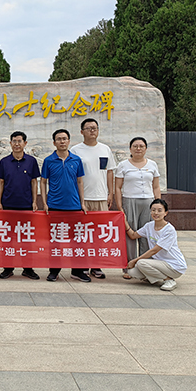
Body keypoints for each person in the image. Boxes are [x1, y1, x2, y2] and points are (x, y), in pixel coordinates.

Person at [70, 117, 116, 279]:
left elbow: (109, 172)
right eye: (88, 128)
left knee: (99, 234)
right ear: (82, 132)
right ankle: (80, 266)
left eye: (95, 128)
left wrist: (110, 193)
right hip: (83, 198)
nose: (92, 131)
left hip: (101, 197)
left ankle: (96, 266)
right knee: (81, 234)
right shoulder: (75, 150)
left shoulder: (105, 149)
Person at [40, 129, 88, 282]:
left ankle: (77, 271)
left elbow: (80, 181)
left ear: (69, 141)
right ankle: (54, 271)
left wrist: (82, 203)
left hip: (74, 206)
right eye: (59, 139)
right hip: (55, 206)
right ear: (54, 142)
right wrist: (45, 202)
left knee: (77, 240)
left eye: (64, 139)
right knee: (55, 241)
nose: (62, 141)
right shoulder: (48, 160)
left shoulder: (76, 160)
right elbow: (43, 182)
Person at [0, 131, 41, 280]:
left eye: (19, 141)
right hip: (8, 205)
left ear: (25, 143)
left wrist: (34, 201)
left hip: (26, 205)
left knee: (26, 239)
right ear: (10, 143)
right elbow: (1, 183)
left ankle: (28, 268)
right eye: (14, 141)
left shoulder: (31, 161)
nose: (17, 144)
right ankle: (8, 268)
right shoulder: (4, 162)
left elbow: (34, 182)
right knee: (7, 239)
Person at [115, 137, 161, 279]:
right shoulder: (123, 165)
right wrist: (120, 206)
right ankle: (128, 268)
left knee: (147, 234)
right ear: (130, 149)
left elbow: (156, 186)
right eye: (135, 146)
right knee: (130, 234)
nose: (138, 149)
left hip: (148, 202)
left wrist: (158, 205)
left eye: (141, 146)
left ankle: (145, 267)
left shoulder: (152, 164)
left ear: (146, 149)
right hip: (130, 201)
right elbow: (118, 187)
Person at [124, 199, 186, 291]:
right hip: (160, 264)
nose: (156, 213)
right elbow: (133, 235)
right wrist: (124, 221)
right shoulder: (149, 226)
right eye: (153, 210)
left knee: (141, 263)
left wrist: (135, 260)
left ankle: (168, 280)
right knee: (132, 272)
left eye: (159, 210)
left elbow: (154, 250)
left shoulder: (169, 230)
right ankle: (155, 277)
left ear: (165, 213)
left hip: (174, 266)